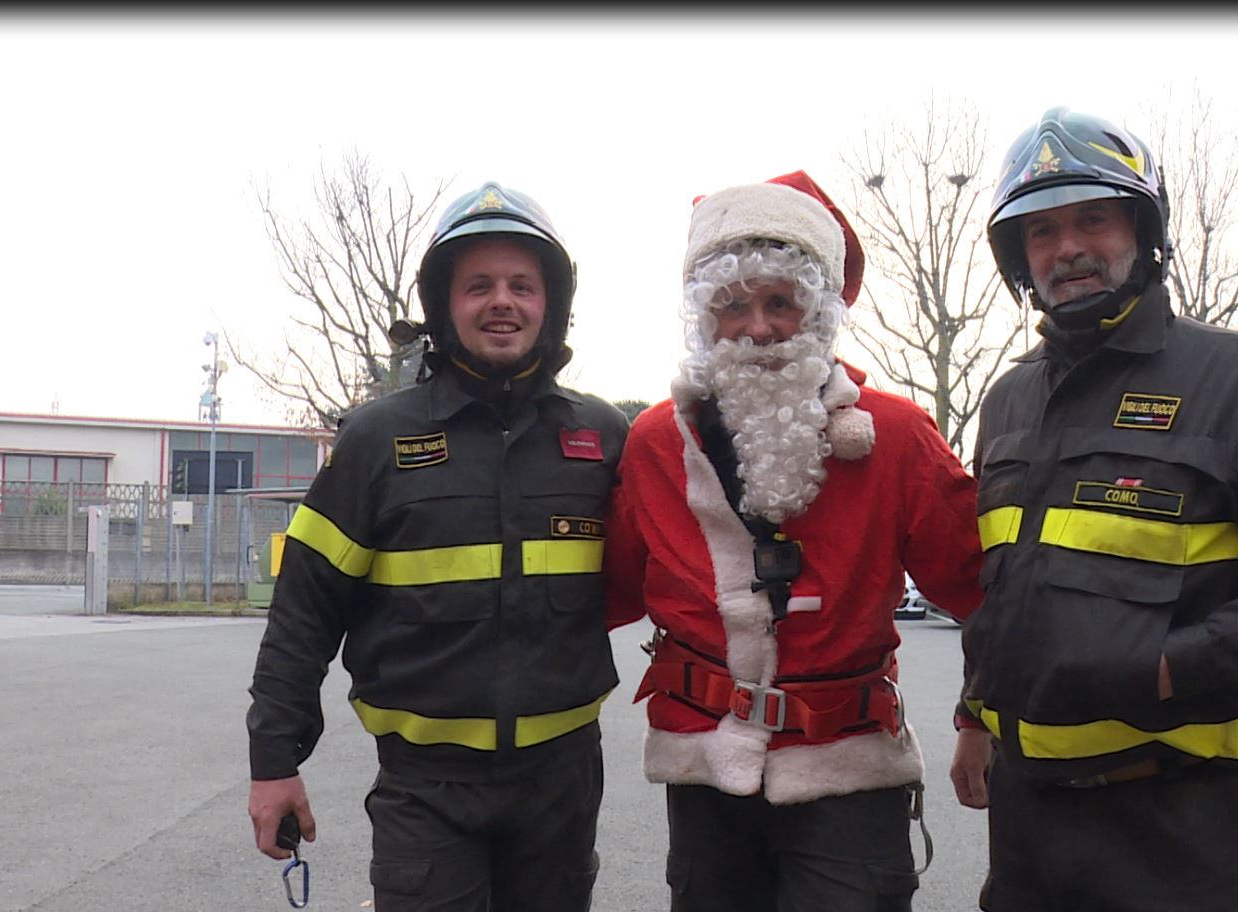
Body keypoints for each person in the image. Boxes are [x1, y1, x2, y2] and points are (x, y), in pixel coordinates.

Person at [948, 107, 1238, 912]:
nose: (1068, 248)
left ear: (1143, 232)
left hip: (1177, 835)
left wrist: (1168, 667)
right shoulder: (1008, 401)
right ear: (1018, 255)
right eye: (1041, 231)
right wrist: (974, 714)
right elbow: (1009, 586)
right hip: (1025, 835)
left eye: (1094, 218)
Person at [603, 170, 985, 912]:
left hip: (850, 774)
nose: (757, 327)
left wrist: (979, 715)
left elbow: (986, 589)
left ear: (819, 316)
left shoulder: (898, 436)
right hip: (707, 770)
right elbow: (593, 592)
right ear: (704, 322)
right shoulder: (654, 442)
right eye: (732, 306)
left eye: (781, 303)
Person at [245, 180, 629, 912]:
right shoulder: (376, 440)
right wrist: (274, 765)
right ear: (443, 308)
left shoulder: (605, 439)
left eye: (523, 284)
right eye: (477, 285)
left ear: (552, 306)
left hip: (563, 786)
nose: (502, 301)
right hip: (427, 790)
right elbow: (303, 616)